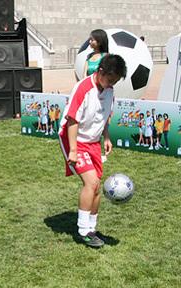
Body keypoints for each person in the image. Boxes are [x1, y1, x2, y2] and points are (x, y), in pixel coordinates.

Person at [59, 54, 127, 248]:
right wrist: (73, 150)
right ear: (101, 72)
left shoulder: (109, 90)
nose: (112, 83)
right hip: (73, 138)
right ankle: (83, 231)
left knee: (97, 187)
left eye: (115, 81)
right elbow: (72, 119)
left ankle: (92, 229)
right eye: (110, 79)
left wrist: (106, 137)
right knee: (92, 182)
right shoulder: (83, 88)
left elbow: (105, 116)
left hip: (92, 141)